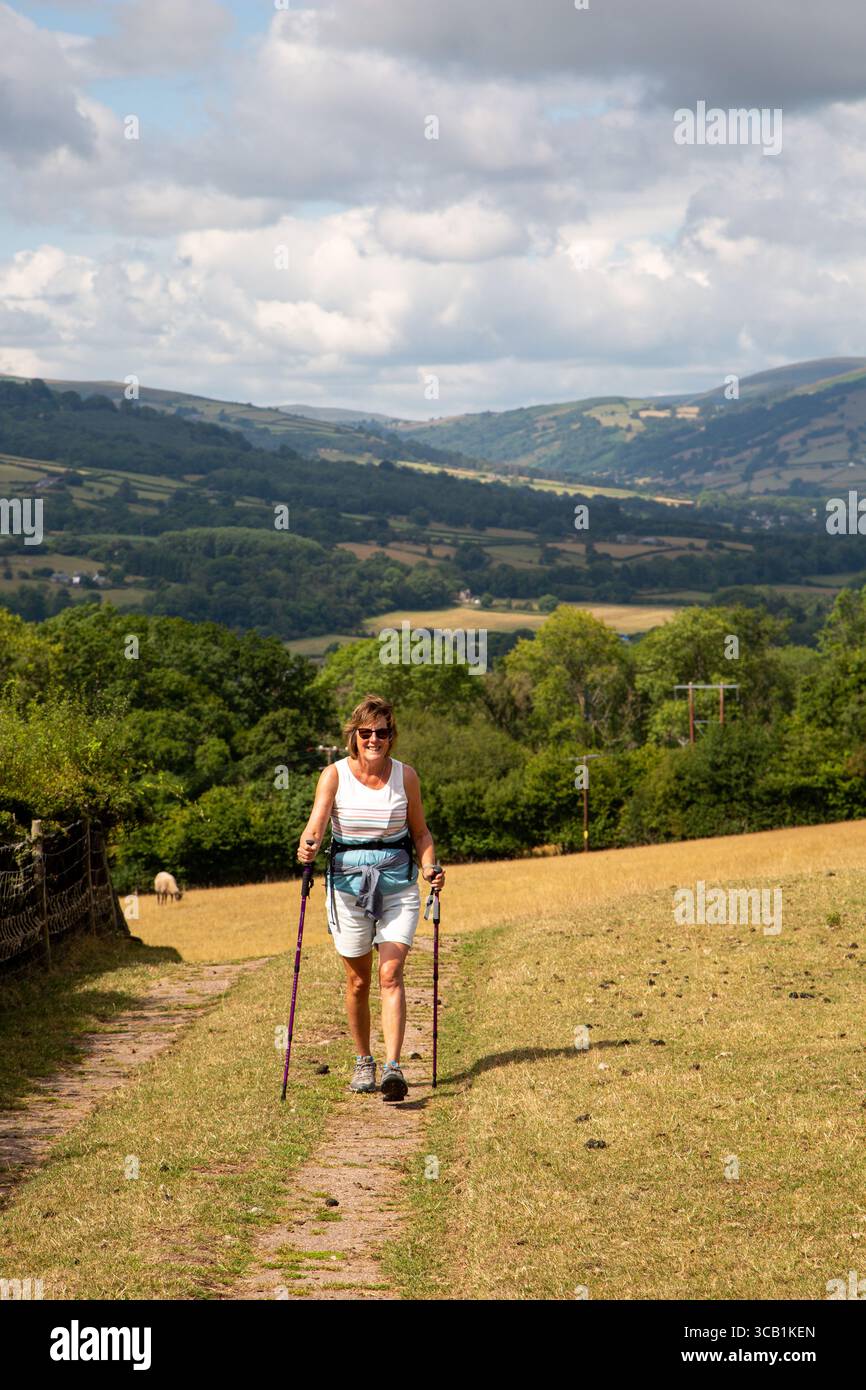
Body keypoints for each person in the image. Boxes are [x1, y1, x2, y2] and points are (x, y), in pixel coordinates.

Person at [297, 694, 445, 1102]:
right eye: (366, 733)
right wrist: (307, 847)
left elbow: (420, 833)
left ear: (391, 736)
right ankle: (364, 1060)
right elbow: (316, 825)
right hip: (347, 887)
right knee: (358, 980)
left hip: (397, 885)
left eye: (381, 732)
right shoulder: (334, 775)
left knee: (389, 975)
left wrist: (430, 865)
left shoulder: (406, 776)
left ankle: (393, 1067)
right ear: (355, 737)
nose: (374, 739)